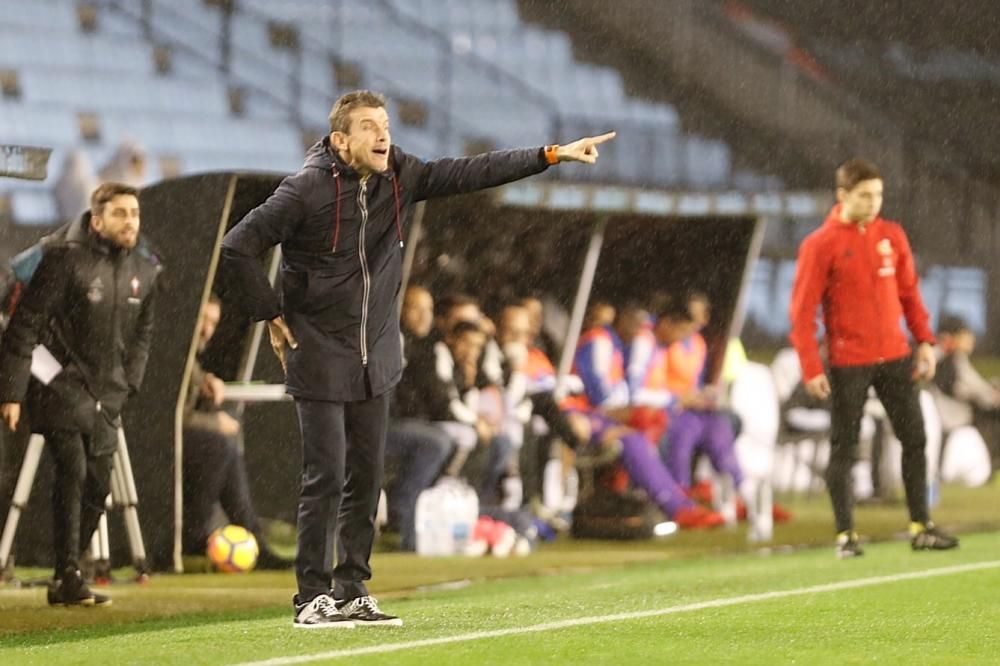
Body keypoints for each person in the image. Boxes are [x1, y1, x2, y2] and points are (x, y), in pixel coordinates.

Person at [220, 89, 615, 628]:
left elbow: (474, 171)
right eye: (368, 127)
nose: (383, 135)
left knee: (365, 476)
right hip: (319, 353)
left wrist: (549, 155)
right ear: (340, 140)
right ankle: (311, 596)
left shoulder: (401, 175)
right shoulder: (304, 191)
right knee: (326, 476)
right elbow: (236, 246)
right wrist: (270, 313)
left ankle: (352, 588)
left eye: (385, 124)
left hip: (376, 356)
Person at [0, 182, 160, 606]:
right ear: (97, 219)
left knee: (97, 486)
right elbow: (25, 326)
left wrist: (130, 384)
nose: (130, 222)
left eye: (135, 213)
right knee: (71, 470)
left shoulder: (144, 271)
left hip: (109, 395)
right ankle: (69, 571)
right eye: (121, 213)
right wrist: (12, 392)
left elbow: (144, 333)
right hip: (59, 385)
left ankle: (64, 575)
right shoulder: (63, 261)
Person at [789, 158, 958, 558]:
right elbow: (801, 315)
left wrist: (925, 342)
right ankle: (845, 535)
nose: (874, 202)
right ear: (843, 195)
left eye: (878, 194)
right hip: (849, 362)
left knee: (915, 439)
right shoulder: (820, 244)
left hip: (895, 357)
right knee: (844, 449)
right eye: (865, 195)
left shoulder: (892, 236)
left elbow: (910, 295)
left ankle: (921, 525)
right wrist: (811, 367)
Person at [181, 295, 293, 569]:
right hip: (162, 445)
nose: (207, 329)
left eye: (213, 322)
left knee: (225, 445)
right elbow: (171, 417)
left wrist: (206, 379)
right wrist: (213, 423)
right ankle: (193, 536)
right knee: (219, 443)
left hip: (185, 440)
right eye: (203, 320)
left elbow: (192, 383)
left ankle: (251, 537)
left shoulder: (191, 359)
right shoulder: (174, 353)